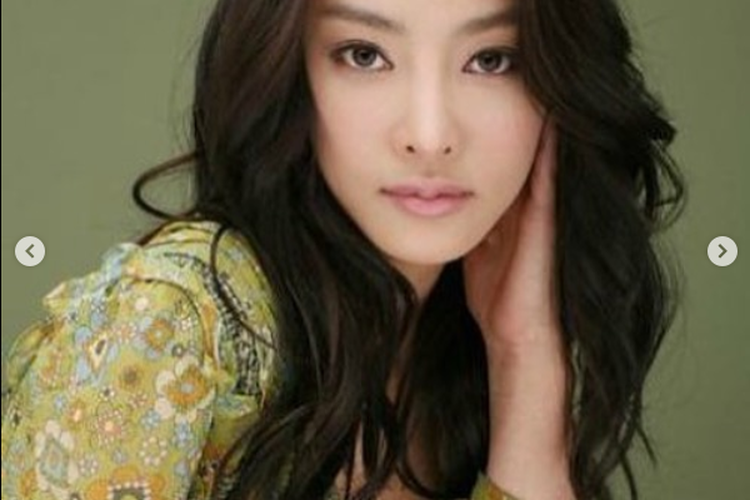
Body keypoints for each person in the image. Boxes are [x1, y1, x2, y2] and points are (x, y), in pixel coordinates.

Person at [1, 0, 685, 498]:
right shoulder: (172, 325)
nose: (430, 136)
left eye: (492, 59)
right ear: (289, 70)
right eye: (364, 54)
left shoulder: (460, 354)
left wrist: (525, 363)